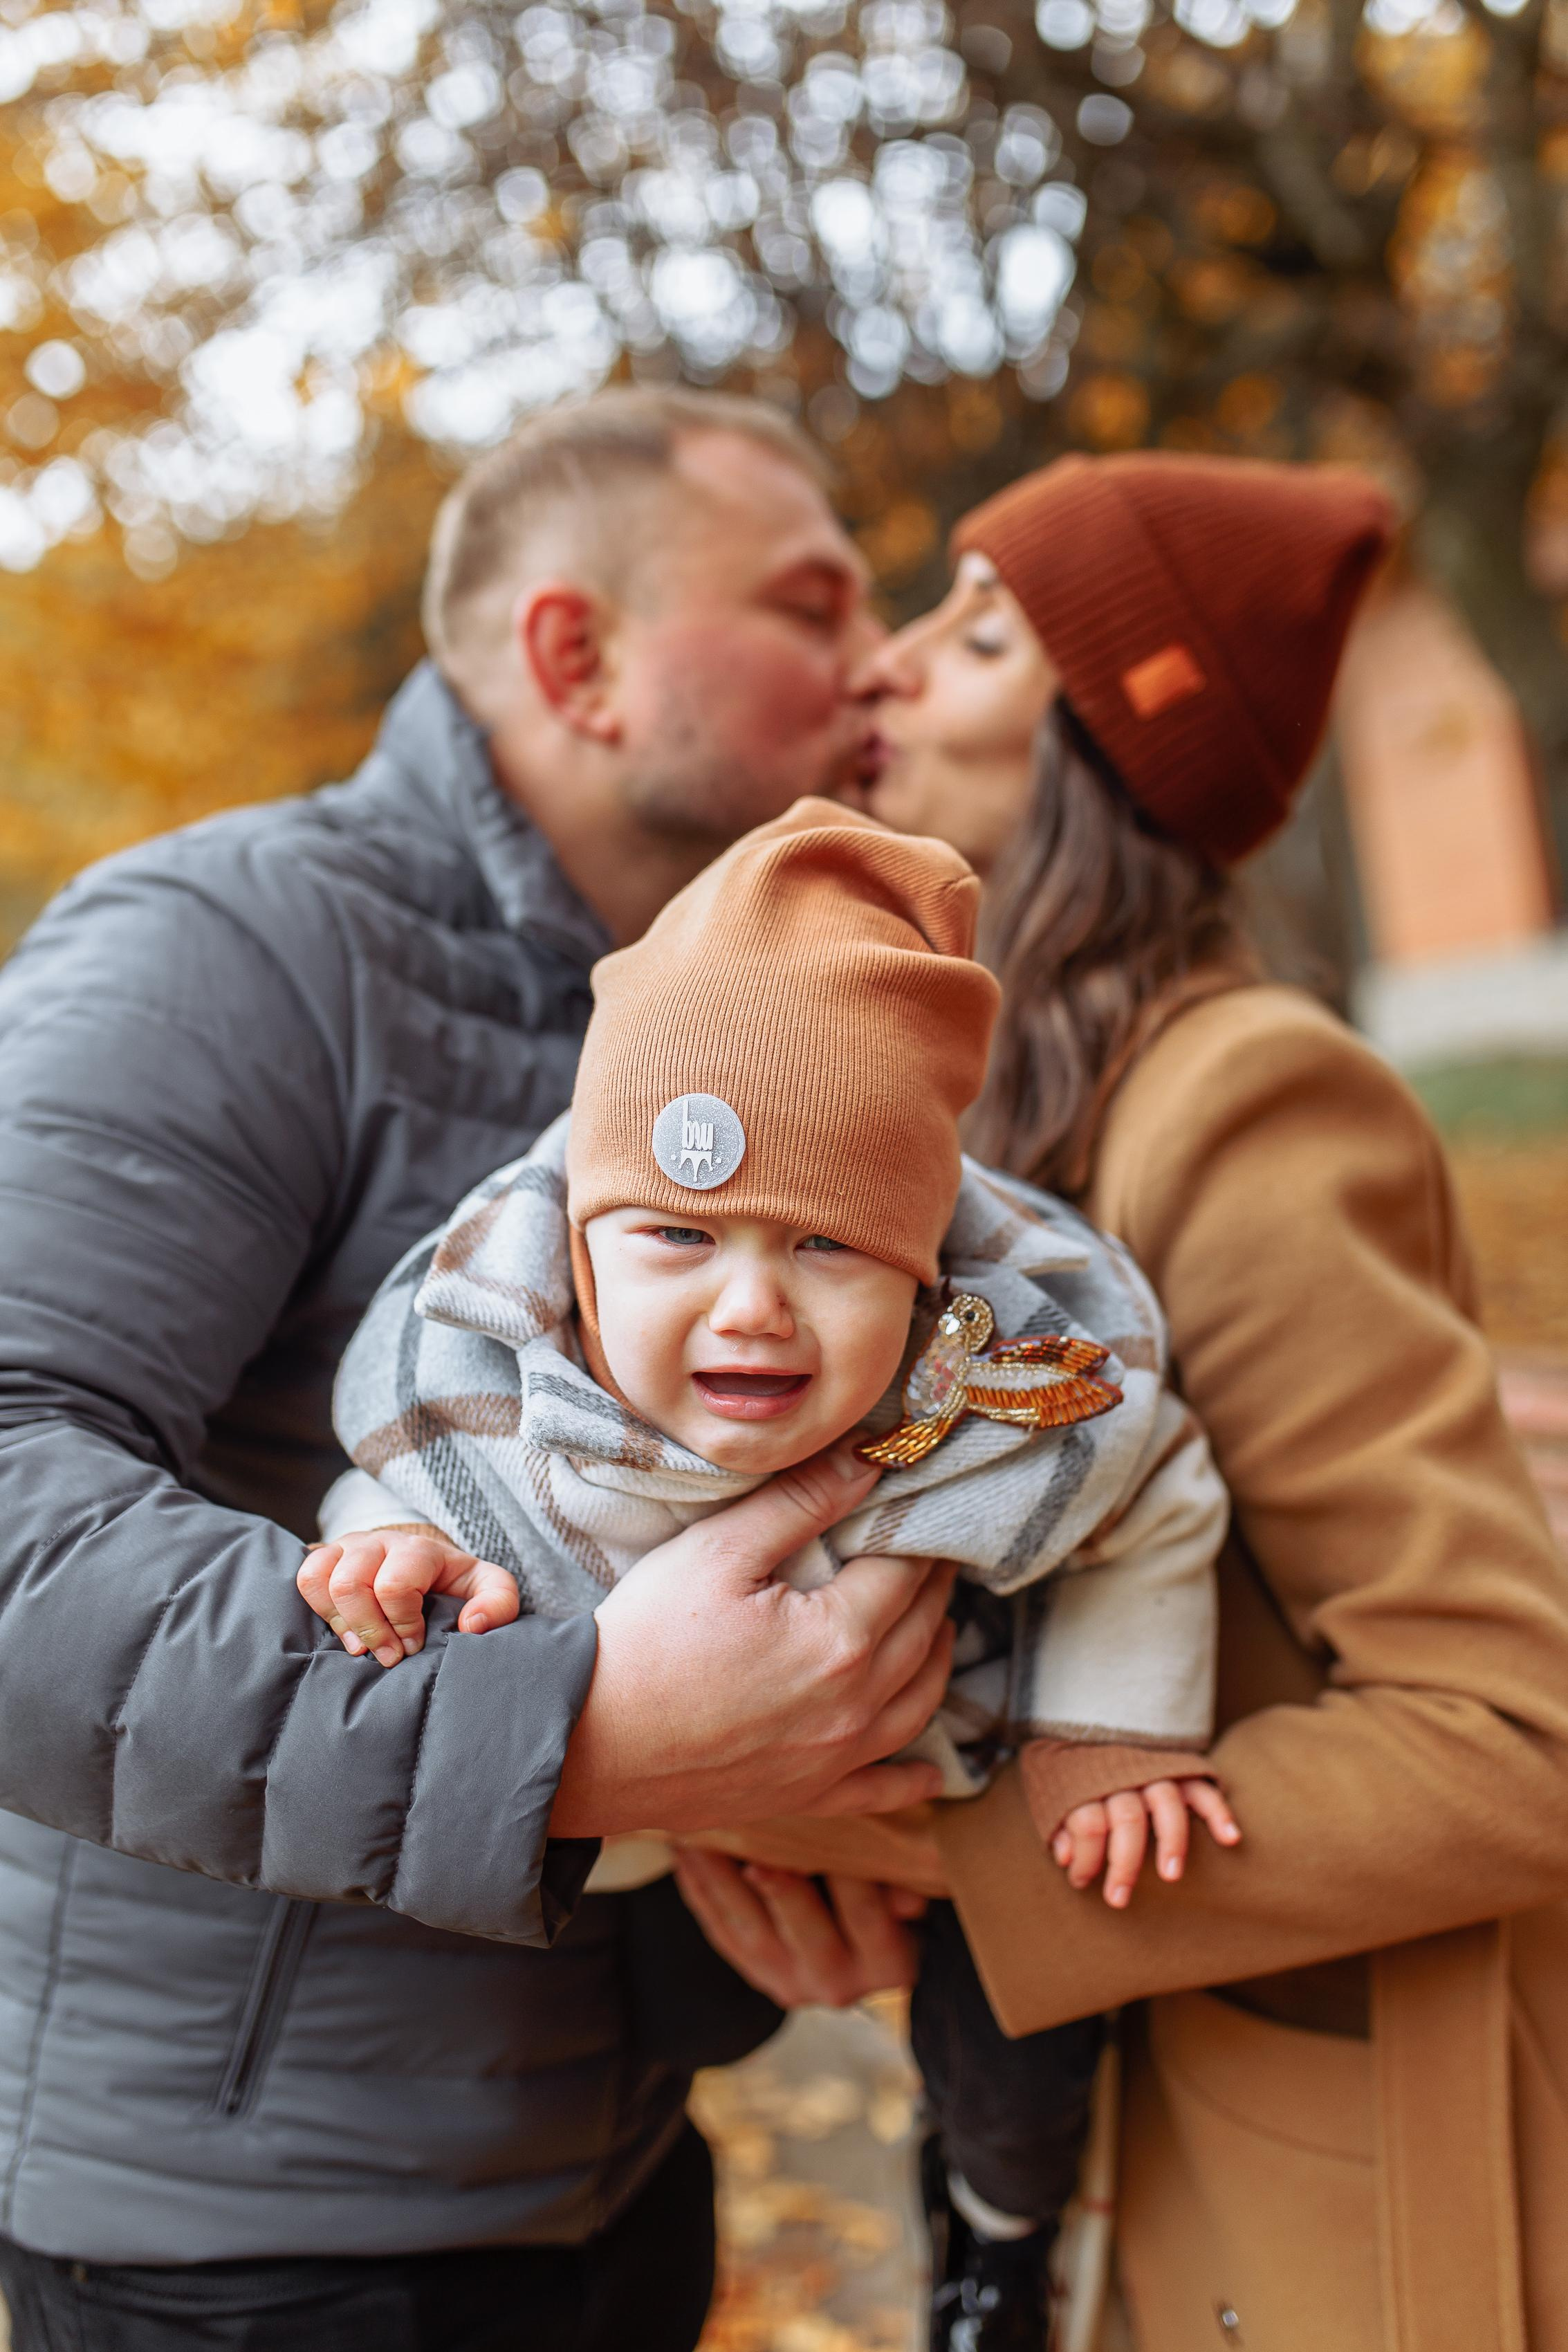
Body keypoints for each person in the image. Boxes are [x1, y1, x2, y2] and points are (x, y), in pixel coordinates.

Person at [0, 388, 959, 2352]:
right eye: (804, 602)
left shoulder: (724, 1050)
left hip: (607, 2172)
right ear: (574, 656)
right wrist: (583, 1738)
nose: (876, 663)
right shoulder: (230, 949)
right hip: (244, 2254)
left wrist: (771, 1853)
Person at [674, 453, 1568, 2352]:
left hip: (1319, 2190)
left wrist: (900, 1834)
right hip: (1107, 2135)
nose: (894, 670)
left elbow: (1505, 1740)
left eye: (980, 632)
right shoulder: (1004, 1102)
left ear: (1112, 743)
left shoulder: (1243, 1103)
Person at [297, 796, 1237, 2352]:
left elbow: (1157, 1495)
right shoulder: (501, 1382)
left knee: (1024, 2041)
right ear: (581, 1253)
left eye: (825, 1248)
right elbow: (397, 1479)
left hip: (941, 1792)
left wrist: (1111, 1732)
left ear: (928, 1269)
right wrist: (390, 1550)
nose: (751, 1309)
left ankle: (993, 2235)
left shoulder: (997, 1393)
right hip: (657, 1838)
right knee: (623, 2012)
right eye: (677, 1232)